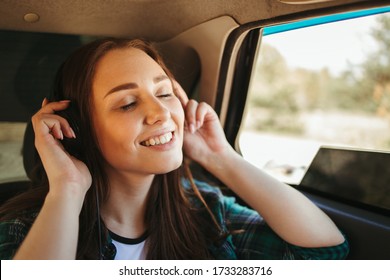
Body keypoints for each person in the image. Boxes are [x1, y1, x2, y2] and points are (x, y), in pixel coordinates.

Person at [0, 38, 349, 260]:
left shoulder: (207, 210)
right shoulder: (25, 230)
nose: (161, 113)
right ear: (77, 127)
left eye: (164, 93)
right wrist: (68, 189)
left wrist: (220, 157)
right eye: (127, 104)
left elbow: (326, 252)